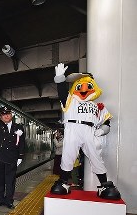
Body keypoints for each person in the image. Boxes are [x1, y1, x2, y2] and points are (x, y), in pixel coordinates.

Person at [50, 63, 121, 200]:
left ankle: (104, 185)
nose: (83, 89)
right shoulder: (71, 101)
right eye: (79, 86)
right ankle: (64, 182)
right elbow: (63, 94)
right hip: (72, 128)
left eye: (88, 86)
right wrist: (59, 79)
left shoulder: (98, 106)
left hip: (90, 130)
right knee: (68, 155)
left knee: (96, 157)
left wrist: (102, 131)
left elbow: (106, 122)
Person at [0, 92, 25, 208]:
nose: (6, 116)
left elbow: (22, 142)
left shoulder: (18, 127)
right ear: (1, 117)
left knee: (10, 181)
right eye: (3, 114)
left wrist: (20, 156)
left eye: (8, 114)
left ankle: (9, 200)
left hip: (11, 158)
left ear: (11, 115)